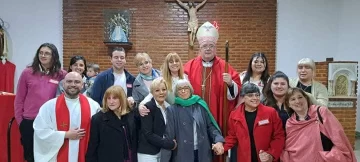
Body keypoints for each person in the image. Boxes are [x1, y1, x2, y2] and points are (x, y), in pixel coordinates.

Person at [184, 21, 241, 144]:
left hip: (217, 115)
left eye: (211, 46)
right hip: (194, 114)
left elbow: (236, 92)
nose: (208, 49)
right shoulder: (189, 66)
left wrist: (231, 84)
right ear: (200, 48)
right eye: (205, 46)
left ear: (215, 48)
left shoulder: (225, 67)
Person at [14, 43, 66, 162]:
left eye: (47, 53)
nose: (43, 55)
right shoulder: (27, 73)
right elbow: (19, 99)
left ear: (54, 56)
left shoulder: (61, 74)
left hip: (50, 122)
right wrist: (20, 122)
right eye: (41, 53)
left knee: (49, 156)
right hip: (29, 122)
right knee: (31, 156)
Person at [33, 72, 100, 162]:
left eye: (77, 82)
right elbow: (40, 131)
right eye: (69, 81)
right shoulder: (49, 106)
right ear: (63, 84)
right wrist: (65, 135)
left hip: (85, 155)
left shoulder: (93, 105)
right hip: (58, 156)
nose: (73, 84)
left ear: (82, 85)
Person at [281, 87, 356, 162]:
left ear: (306, 99)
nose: (297, 101)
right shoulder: (290, 123)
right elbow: (289, 147)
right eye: (293, 99)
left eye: (300, 97)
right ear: (289, 104)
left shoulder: (321, 112)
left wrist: (332, 155)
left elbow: (338, 137)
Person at [161, 79, 225, 162]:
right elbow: (169, 136)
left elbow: (210, 126)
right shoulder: (172, 110)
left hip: (202, 152)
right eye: (180, 89)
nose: (183, 91)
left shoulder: (200, 105)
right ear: (176, 92)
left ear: (190, 89)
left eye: (186, 88)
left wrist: (219, 140)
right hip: (182, 153)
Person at [223, 83, 285, 162]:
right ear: (243, 97)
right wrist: (222, 147)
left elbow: (279, 136)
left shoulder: (270, 112)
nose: (255, 98)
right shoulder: (234, 115)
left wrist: (271, 154)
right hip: (244, 158)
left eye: (257, 95)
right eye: (250, 95)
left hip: (265, 158)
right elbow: (232, 137)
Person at [86, 86, 138, 162]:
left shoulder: (130, 115)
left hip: (130, 158)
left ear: (122, 99)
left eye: (114, 98)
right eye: (108, 98)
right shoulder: (98, 119)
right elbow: (92, 146)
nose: (111, 101)